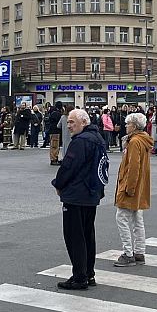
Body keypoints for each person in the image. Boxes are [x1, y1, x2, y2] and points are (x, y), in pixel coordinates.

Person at [52, 108, 107, 290]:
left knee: (75, 236)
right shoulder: (97, 138)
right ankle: (88, 273)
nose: (68, 126)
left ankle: (79, 277)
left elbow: (68, 167)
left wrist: (58, 184)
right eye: (68, 122)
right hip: (91, 193)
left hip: (76, 194)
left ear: (84, 122)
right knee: (87, 235)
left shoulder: (80, 142)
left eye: (72, 122)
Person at [113, 112, 152, 267]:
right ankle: (139, 252)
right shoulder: (142, 140)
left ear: (134, 126)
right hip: (140, 186)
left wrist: (129, 188)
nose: (126, 126)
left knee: (121, 217)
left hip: (132, 186)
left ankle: (128, 253)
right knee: (137, 219)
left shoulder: (134, 141)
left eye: (128, 124)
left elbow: (133, 167)